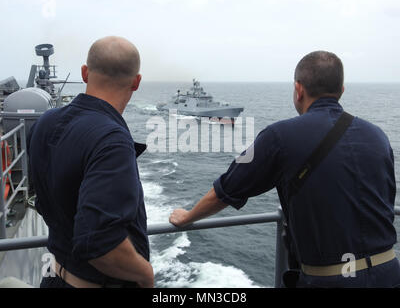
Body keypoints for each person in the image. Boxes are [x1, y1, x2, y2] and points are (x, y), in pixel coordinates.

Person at [169, 51, 400, 288]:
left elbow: (226, 189)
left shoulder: (278, 136)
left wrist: (187, 217)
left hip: (330, 281)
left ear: (298, 89)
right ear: (342, 90)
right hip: (390, 272)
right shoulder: (378, 136)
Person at [28, 36, 154, 288]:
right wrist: (146, 275)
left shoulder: (45, 122)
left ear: (85, 73)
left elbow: (43, 198)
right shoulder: (113, 140)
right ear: (137, 82)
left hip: (53, 278)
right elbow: (99, 244)